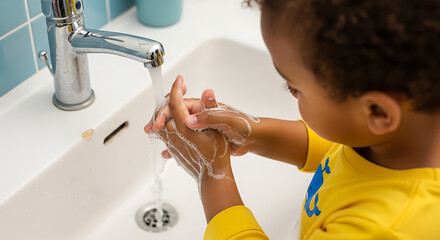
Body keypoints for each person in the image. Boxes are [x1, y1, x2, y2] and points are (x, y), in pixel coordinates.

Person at [145, 0, 440, 239]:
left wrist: (212, 174)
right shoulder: (405, 139)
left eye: (294, 88)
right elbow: (338, 153)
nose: (292, 95)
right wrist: (251, 131)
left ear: (378, 112)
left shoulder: (381, 229)